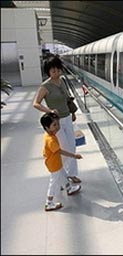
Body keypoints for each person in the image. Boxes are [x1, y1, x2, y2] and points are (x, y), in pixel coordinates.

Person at [33, 55, 82, 184]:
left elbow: (67, 99)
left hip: (67, 118)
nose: (56, 73)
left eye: (58, 70)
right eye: (53, 71)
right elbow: (36, 103)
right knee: (64, 148)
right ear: (48, 71)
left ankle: (71, 174)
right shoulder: (45, 86)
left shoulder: (62, 81)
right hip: (56, 123)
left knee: (72, 147)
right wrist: (49, 111)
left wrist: (72, 113)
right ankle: (60, 173)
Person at [40, 112, 82, 211]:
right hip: (54, 164)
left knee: (62, 175)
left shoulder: (48, 135)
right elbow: (60, 151)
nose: (57, 127)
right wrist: (74, 155)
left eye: (58, 124)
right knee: (54, 182)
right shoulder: (51, 140)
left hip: (55, 162)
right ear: (47, 127)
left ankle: (69, 188)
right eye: (54, 125)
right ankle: (49, 203)